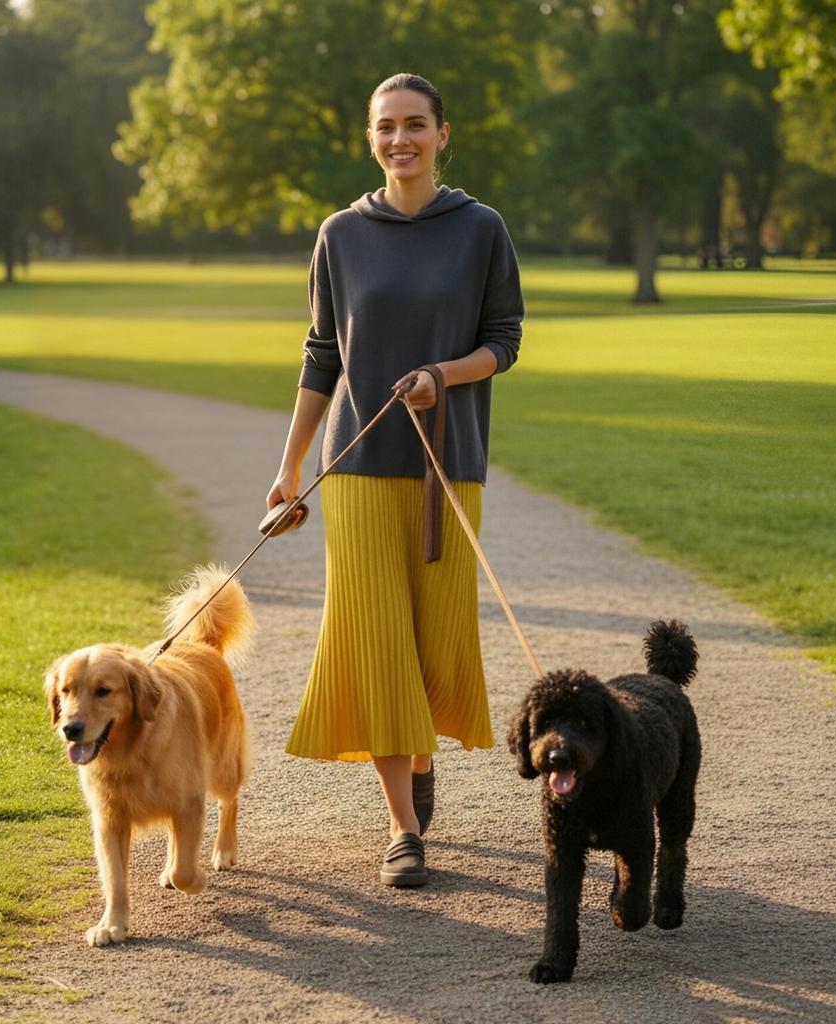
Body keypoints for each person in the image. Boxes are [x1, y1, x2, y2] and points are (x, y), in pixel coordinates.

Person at [266, 72, 523, 887]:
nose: (400, 140)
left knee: (432, 638)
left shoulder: (481, 229)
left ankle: (420, 757)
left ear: (444, 133)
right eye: (386, 127)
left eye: (415, 124)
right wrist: (289, 466)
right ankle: (402, 829)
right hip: (359, 468)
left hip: (450, 465)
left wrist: (440, 376)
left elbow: (504, 342)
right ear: (371, 137)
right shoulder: (340, 234)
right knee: (375, 639)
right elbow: (321, 355)